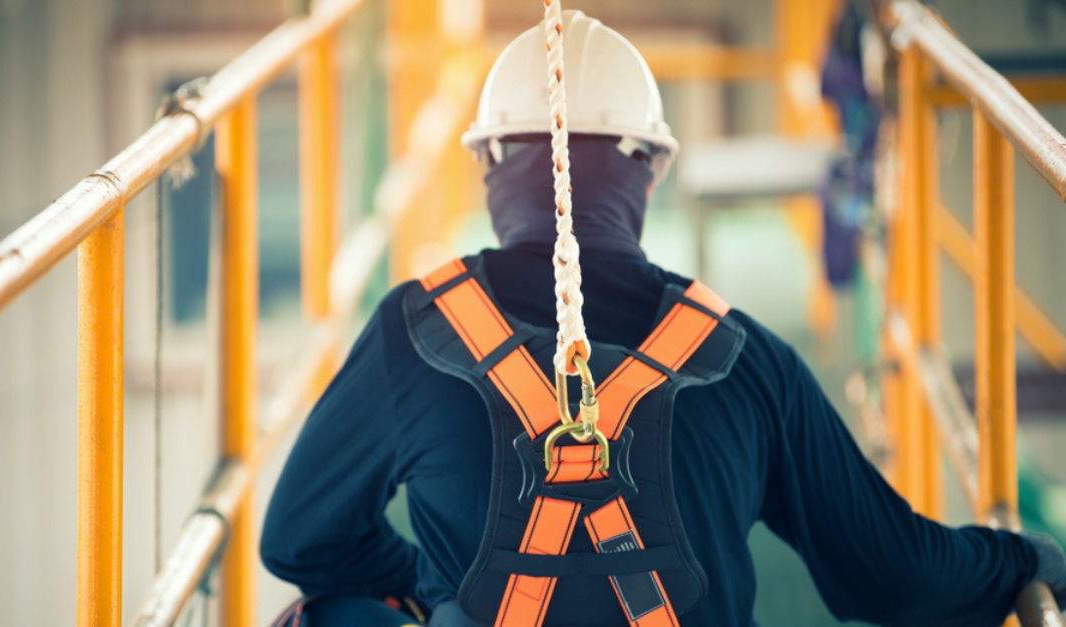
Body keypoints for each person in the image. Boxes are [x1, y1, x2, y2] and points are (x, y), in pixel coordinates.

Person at [260, 10, 1066, 627]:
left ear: (490, 167)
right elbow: (897, 575)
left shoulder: (418, 332)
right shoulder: (747, 358)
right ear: (648, 170)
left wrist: (430, 589)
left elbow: (301, 540)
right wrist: (1033, 556)